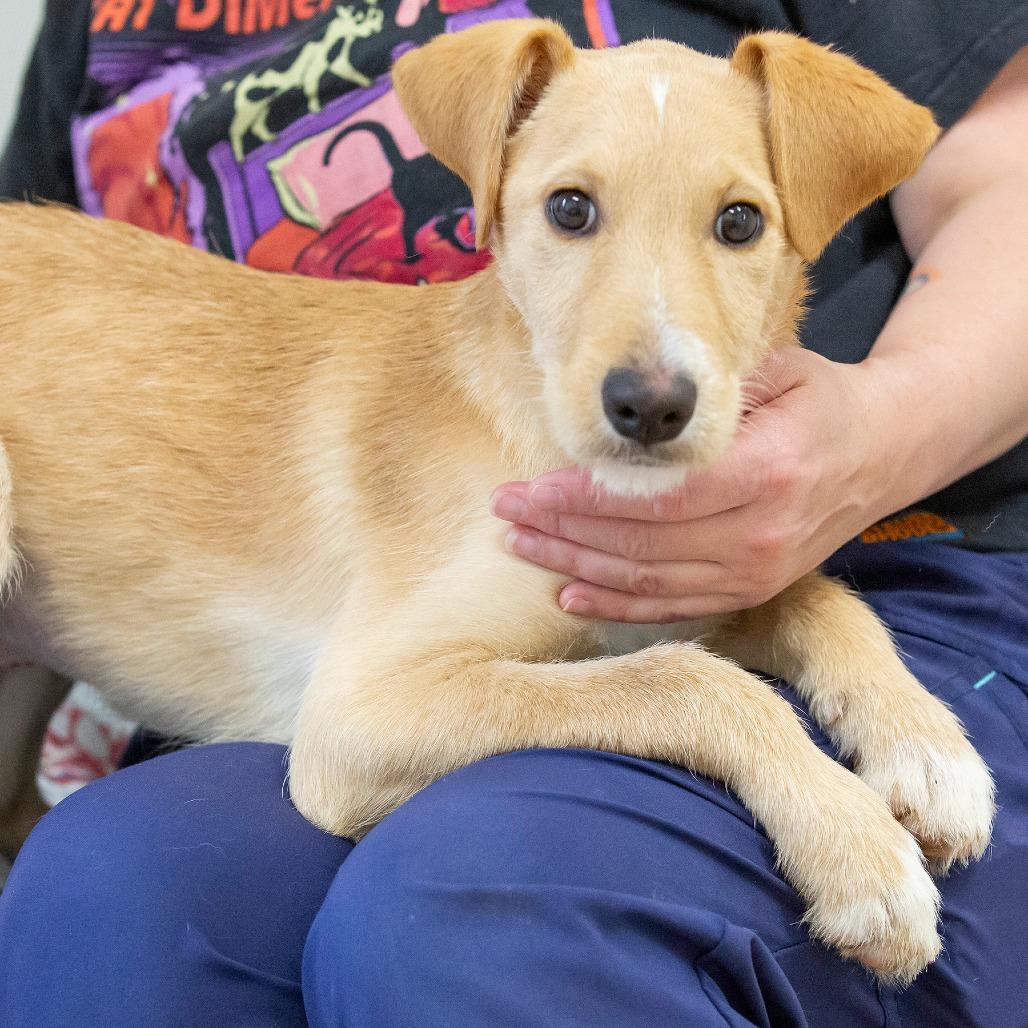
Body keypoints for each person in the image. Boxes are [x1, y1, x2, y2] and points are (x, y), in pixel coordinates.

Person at [0, 1, 1026, 1024]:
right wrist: (718, 707)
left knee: (470, 905)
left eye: (735, 223)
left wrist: (873, 447)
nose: (651, 369)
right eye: (571, 211)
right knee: (112, 895)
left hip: (912, 552)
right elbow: (356, 738)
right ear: (489, 192)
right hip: (234, 630)